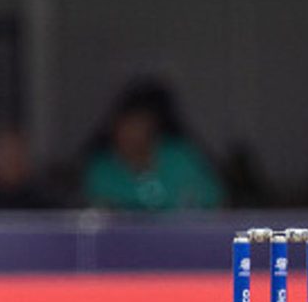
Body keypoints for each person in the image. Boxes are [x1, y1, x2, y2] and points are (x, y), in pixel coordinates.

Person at [83, 77, 225, 211]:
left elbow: (216, 203)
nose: (131, 134)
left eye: (139, 125)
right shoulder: (101, 171)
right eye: (126, 126)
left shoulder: (181, 157)